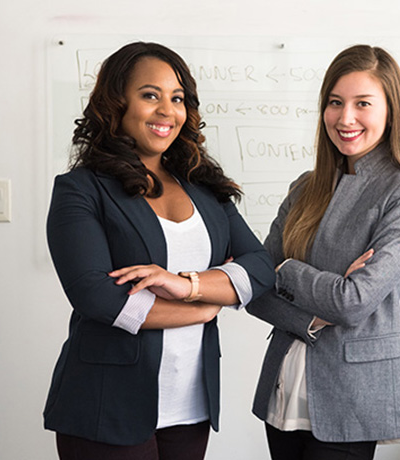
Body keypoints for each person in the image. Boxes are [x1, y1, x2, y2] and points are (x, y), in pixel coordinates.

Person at [43, 42, 275, 460]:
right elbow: (97, 296)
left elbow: (259, 268)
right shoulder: (81, 189)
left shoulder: (205, 188)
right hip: (106, 406)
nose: (167, 110)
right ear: (116, 104)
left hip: (190, 406)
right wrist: (203, 307)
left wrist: (186, 286)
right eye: (150, 95)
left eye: (177, 98)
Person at [246, 44, 400, 460]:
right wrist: (311, 314)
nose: (345, 117)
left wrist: (286, 269)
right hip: (285, 384)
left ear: (391, 110)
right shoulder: (304, 187)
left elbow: (353, 303)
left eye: (362, 103)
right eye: (335, 102)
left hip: (353, 394)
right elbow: (256, 290)